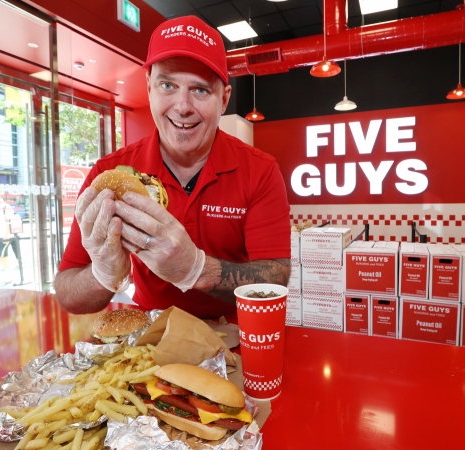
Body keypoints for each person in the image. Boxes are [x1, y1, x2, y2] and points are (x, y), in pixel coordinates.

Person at [55, 16, 291, 318]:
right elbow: (68, 293)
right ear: (149, 87)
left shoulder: (260, 171)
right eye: (168, 85)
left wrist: (198, 269)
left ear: (224, 100)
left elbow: (278, 277)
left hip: (238, 342)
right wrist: (102, 274)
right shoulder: (110, 172)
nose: (182, 106)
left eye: (201, 90)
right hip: (148, 346)